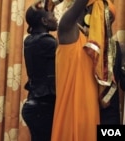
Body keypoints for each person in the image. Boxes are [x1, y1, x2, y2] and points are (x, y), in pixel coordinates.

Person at [51, 0, 118, 141]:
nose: (106, 26)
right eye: (103, 17)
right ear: (89, 15)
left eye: (109, 21)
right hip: (70, 117)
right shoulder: (67, 30)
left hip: (92, 119)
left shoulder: (101, 52)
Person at [21, 1, 58, 141]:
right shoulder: (47, 42)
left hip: (35, 106)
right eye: (53, 16)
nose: (56, 18)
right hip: (43, 109)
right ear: (44, 21)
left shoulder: (30, 40)